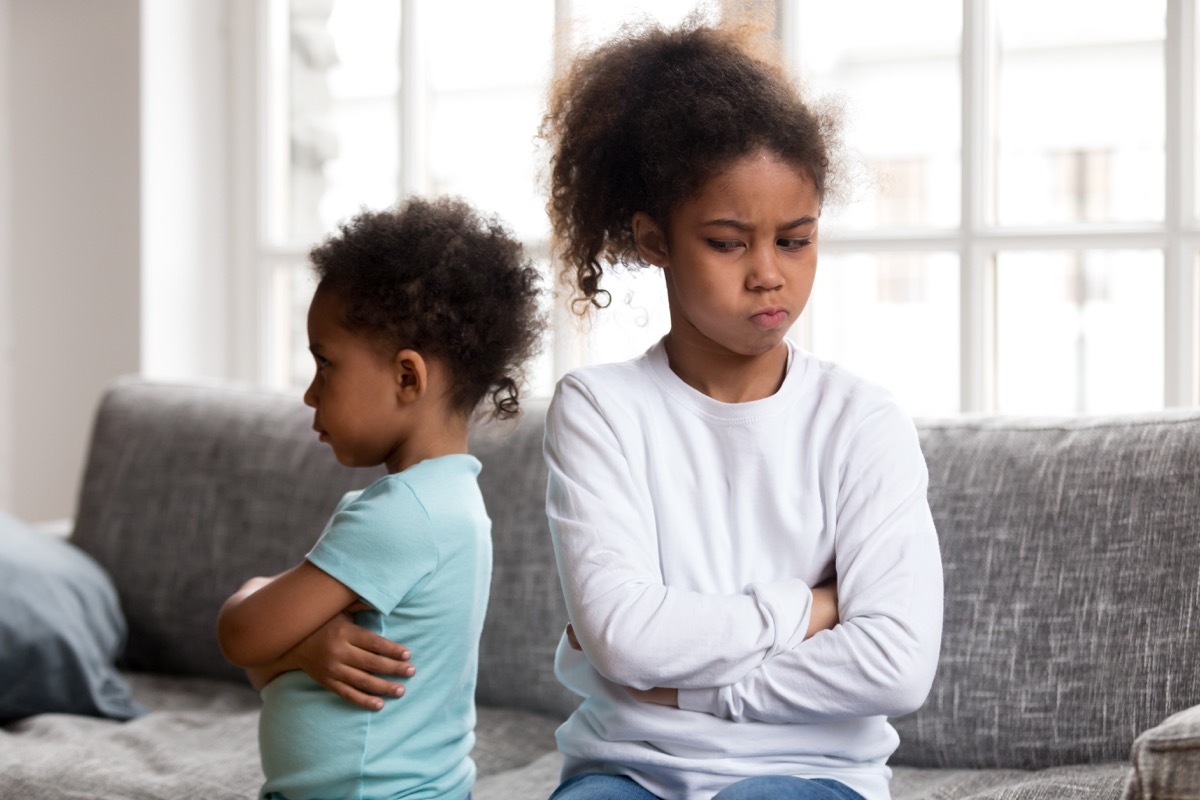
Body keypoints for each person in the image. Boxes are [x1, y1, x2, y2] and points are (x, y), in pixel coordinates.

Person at [538, 14, 943, 800]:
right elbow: (623, 639)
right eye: (728, 242)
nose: (769, 275)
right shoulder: (599, 410)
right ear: (654, 240)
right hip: (626, 766)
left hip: (812, 774)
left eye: (795, 240)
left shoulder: (862, 423)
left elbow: (896, 663)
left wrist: (698, 692)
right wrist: (807, 609)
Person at [217, 196, 543, 800]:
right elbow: (263, 663)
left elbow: (242, 635)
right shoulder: (449, 503)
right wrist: (303, 651)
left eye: (325, 365)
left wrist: (283, 627)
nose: (311, 395)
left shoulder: (401, 516)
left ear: (406, 378)